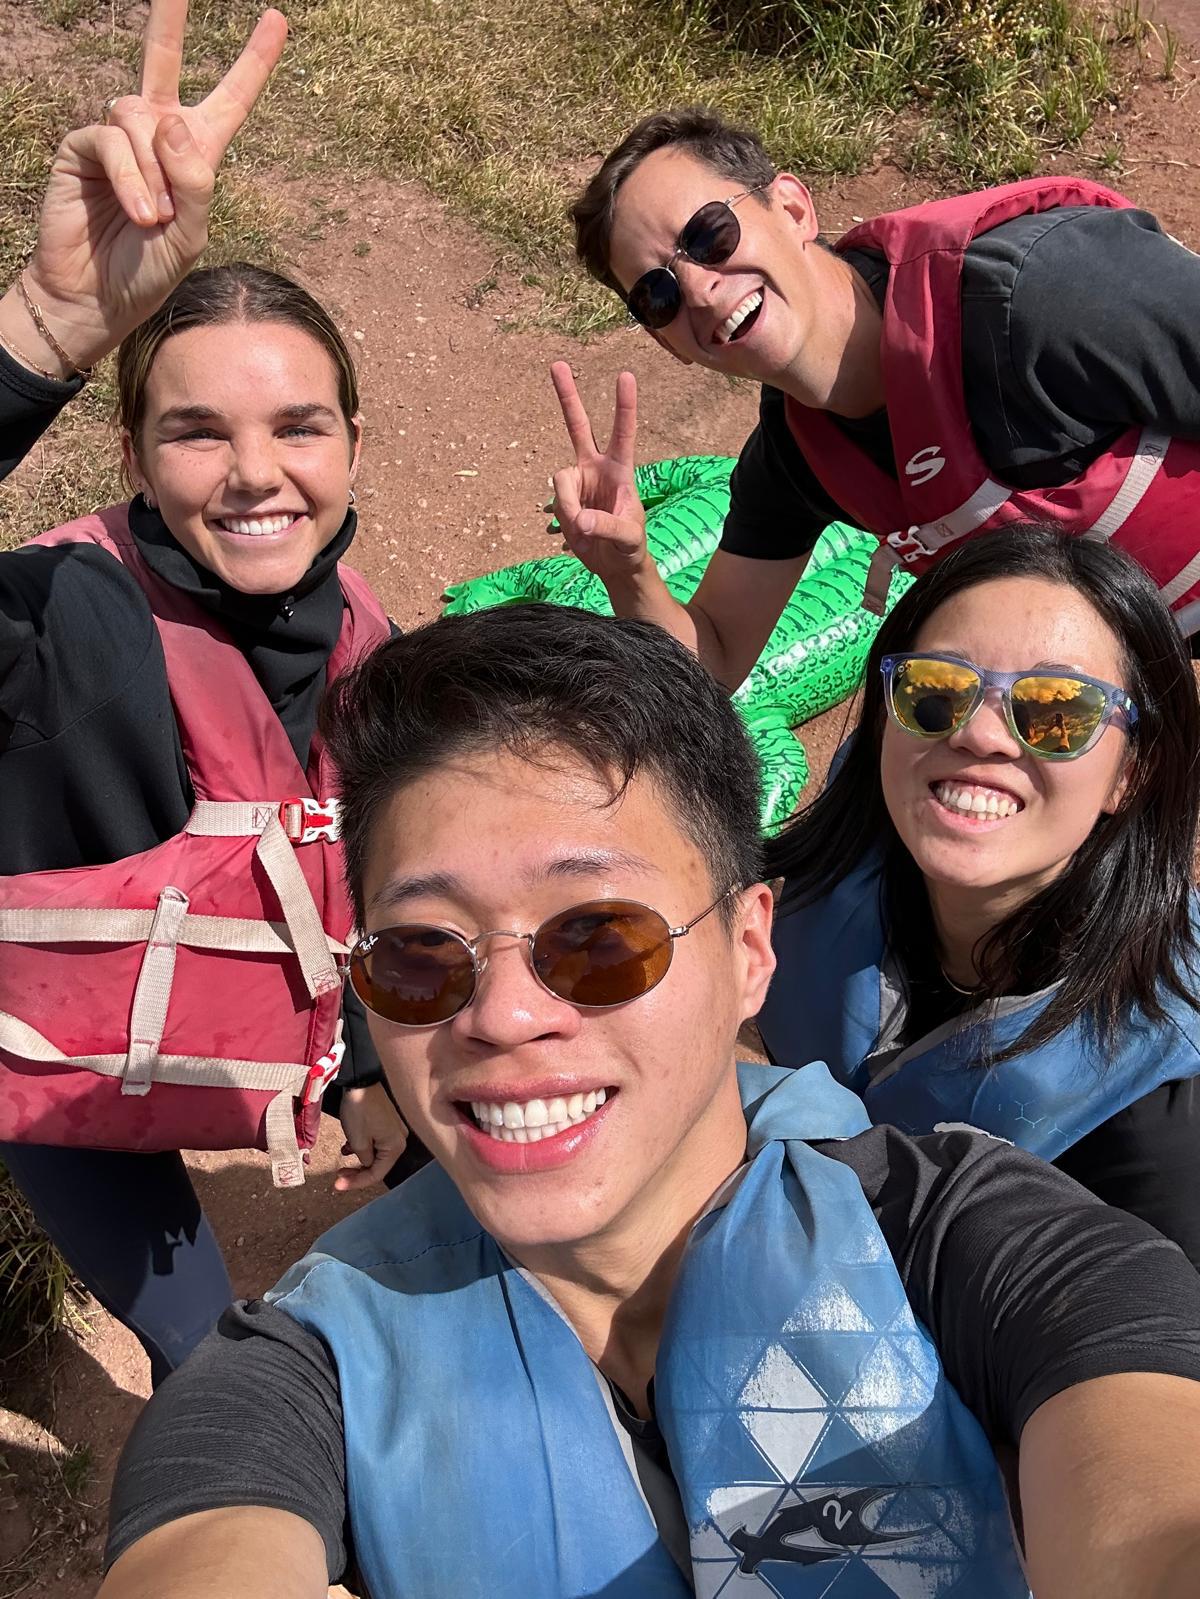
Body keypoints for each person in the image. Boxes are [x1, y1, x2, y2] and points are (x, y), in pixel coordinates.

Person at [98, 604, 1200, 1599]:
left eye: (598, 938)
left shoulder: (962, 1237)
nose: (503, 1017)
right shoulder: (301, 1370)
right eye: (423, 956)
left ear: (750, 951)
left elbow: (1154, 1492)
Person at [0, 0, 409, 1387]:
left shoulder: (366, 639)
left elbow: (384, 873)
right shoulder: (54, 626)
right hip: (62, 1085)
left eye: (299, 425)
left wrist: (362, 1055)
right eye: (195, 430)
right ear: (130, 445)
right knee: (219, 1368)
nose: (255, 474)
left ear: (354, 438)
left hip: (239, 1037)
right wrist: (47, 325)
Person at [549, 108, 1200, 694]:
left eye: (710, 234)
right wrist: (626, 569)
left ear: (794, 210)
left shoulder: (1038, 300)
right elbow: (713, 656)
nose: (696, 288)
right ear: (669, 345)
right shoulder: (798, 457)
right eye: (657, 294)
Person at [756, 526, 1200, 1268]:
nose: (982, 735)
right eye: (936, 690)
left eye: (1059, 710)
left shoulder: (1162, 1120)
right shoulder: (853, 837)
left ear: (1133, 772)